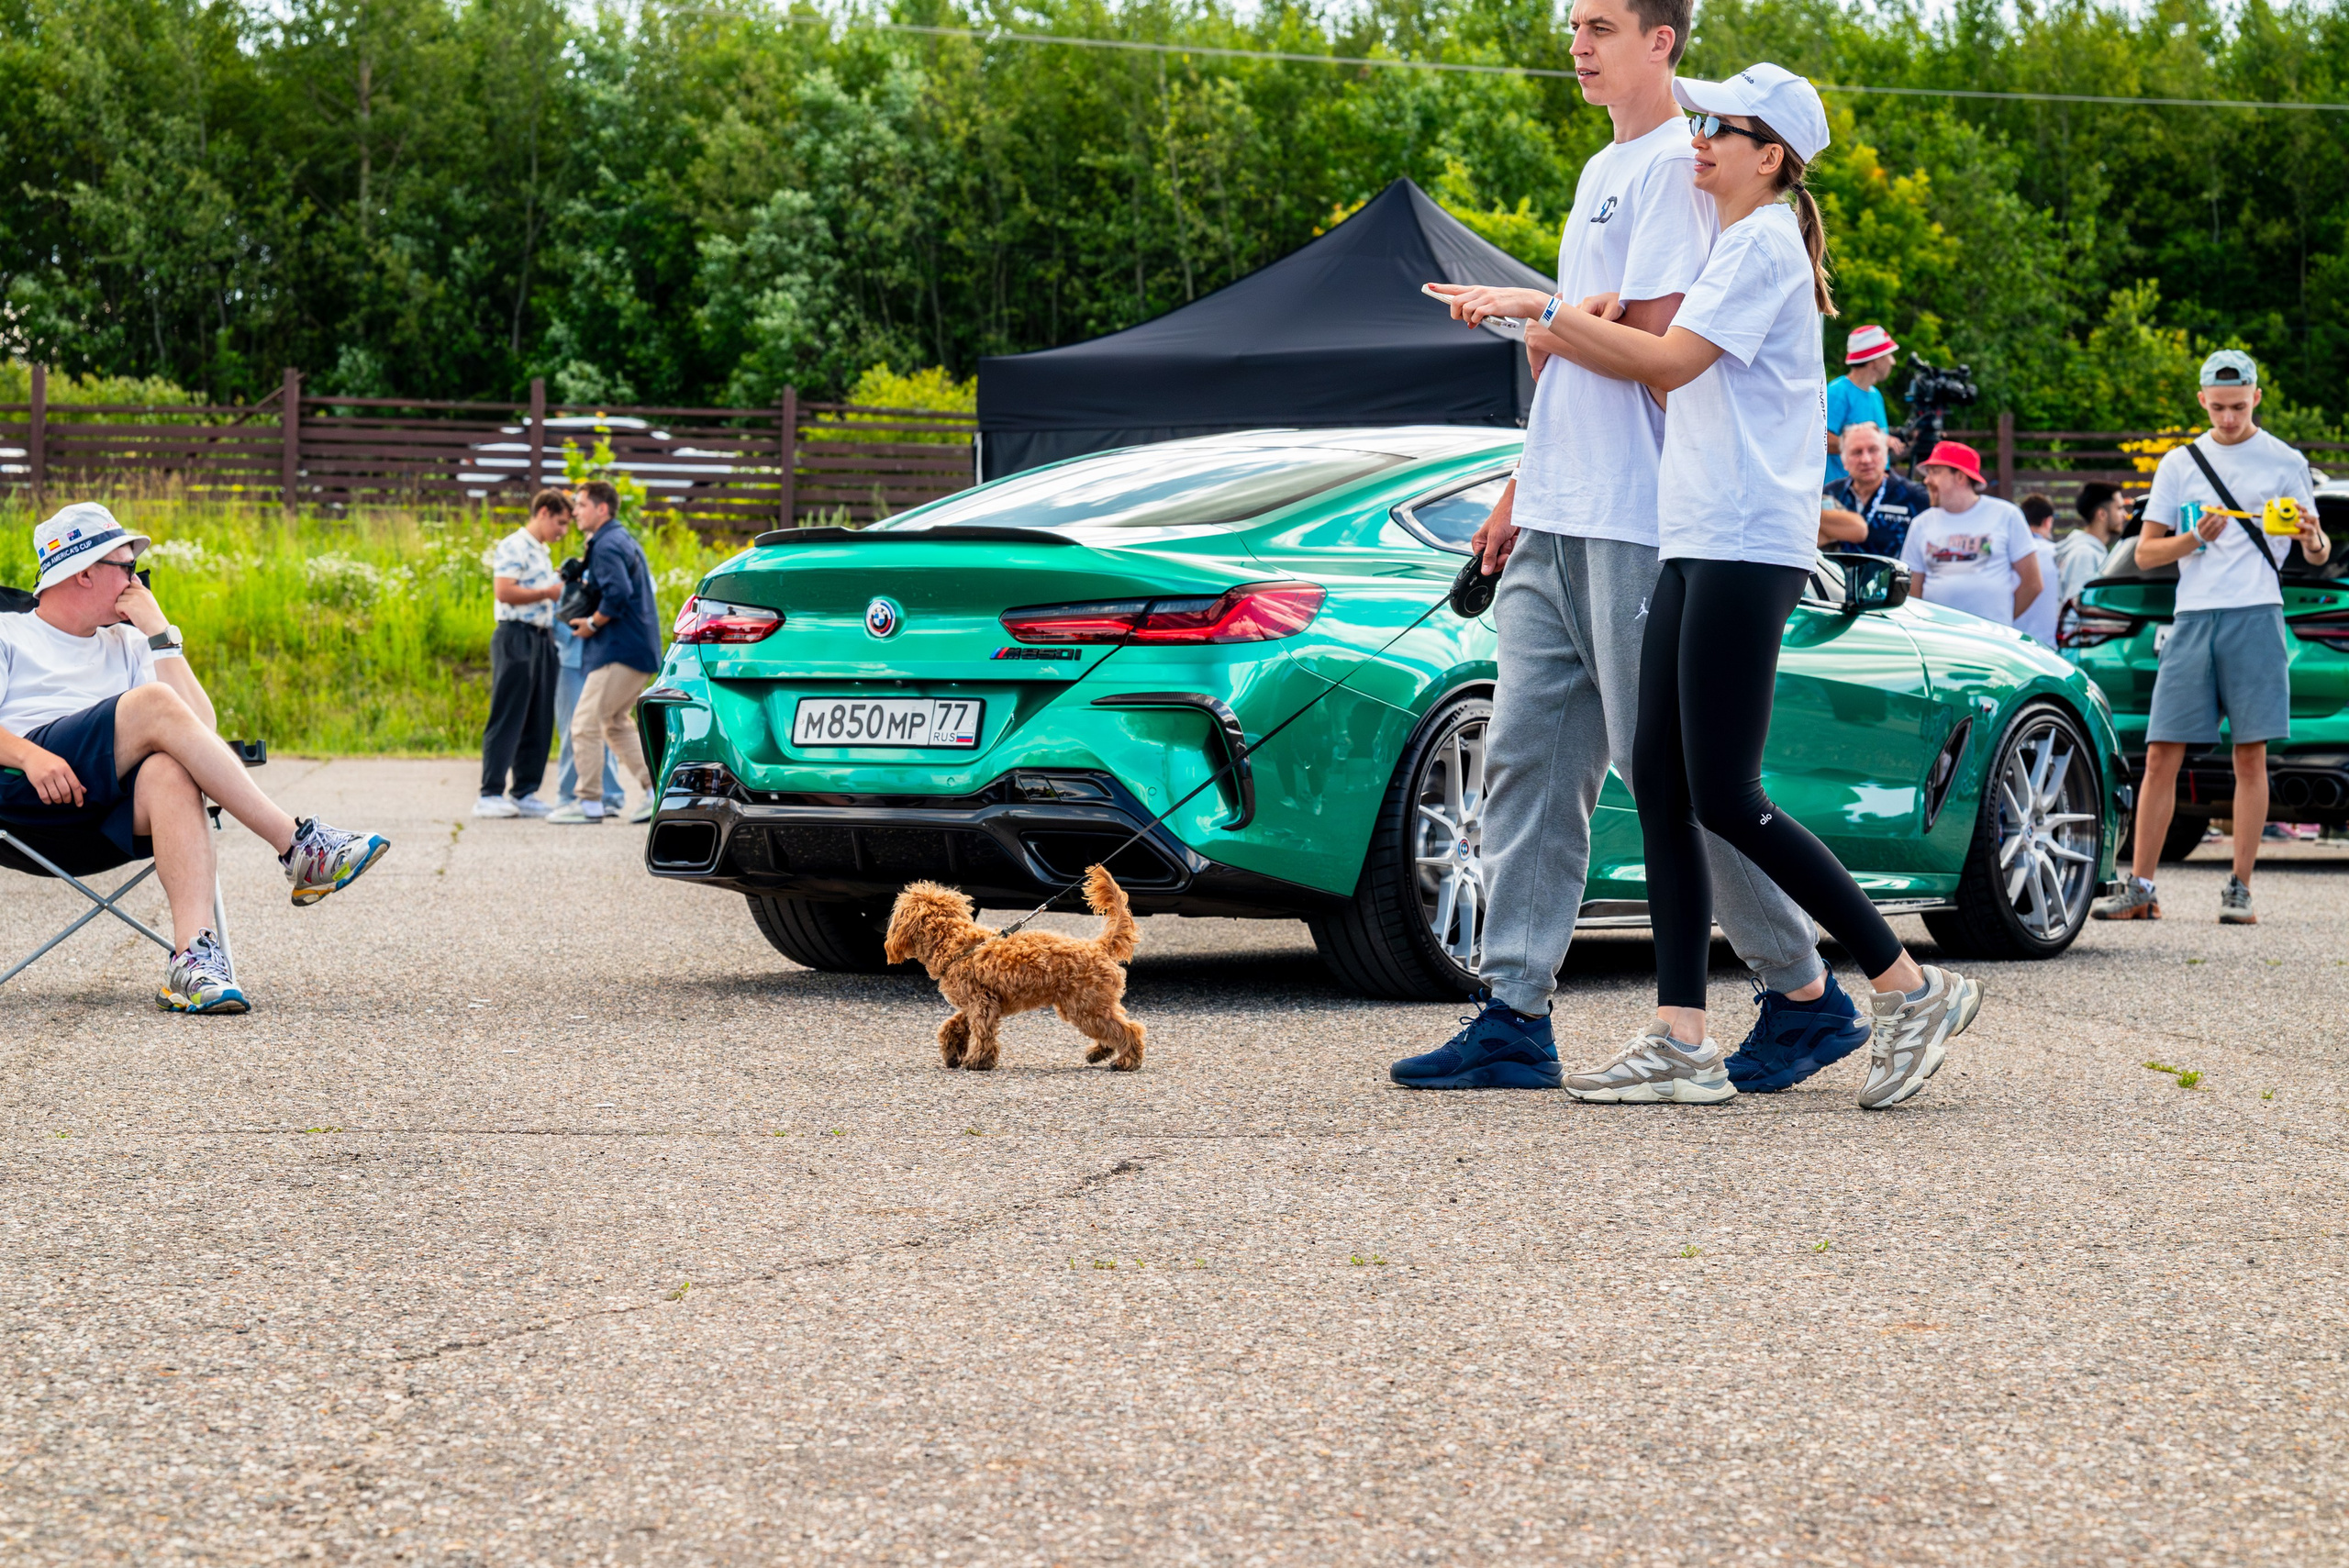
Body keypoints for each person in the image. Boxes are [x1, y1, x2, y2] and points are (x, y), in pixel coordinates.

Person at [1448, 64, 1981, 1108]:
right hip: (1695, 533)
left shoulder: (1761, 243)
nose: (1697, 138)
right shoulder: (1736, 245)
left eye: (1718, 127)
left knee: (1725, 794)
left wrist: (1541, 310)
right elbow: (1650, 354)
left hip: (1745, 540)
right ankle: (1681, 1038)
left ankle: (1908, 985)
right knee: (1661, 778)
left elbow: (1666, 365)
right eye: (1696, 120)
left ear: (1768, 156)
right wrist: (1571, 321)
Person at [1403, 2, 1861, 1098]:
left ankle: (1801, 987)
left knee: (1679, 778)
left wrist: (1547, 315)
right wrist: (1518, 489)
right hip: (1561, 507)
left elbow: (1653, 348)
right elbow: (1577, 350)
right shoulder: (1601, 168)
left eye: (1601, 25)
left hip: (1646, 516)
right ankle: (1514, 1013)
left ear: (1662, 40)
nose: (1577, 43)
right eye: (1573, 25)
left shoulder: (1679, 171)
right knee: (1525, 759)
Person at [0, 504, 391, 1013]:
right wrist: (29, 755)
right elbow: (161, 710)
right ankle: (296, 845)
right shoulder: (10, 633)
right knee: (153, 703)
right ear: (84, 573)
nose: (137, 581)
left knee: (170, 769)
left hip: (106, 812)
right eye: (127, 567)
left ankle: (194, 960)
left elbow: (200, 732)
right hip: (24, 791)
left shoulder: (129, 641)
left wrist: (161, 635)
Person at [2092, 350, 2328, 926]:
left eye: (2239, 407)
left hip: (2258, 612)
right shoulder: (2179, 462)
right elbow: (2146, 554)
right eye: (2218, 407)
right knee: (2160, 754)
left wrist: (2312, 537)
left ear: (2256, 398)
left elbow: (2318, 553)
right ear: (2202, 400)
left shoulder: (2286, 460)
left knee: (2251, 755)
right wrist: (2194, 538)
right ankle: (2142, 887)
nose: (2228, 418)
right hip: (2193, 616)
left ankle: (2240, 889)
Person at [551, 481, 662, 825]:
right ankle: (655, 792)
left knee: (584, 724)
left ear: (602, 508)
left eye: (581, 505)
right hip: (635, 648)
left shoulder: (608, 544)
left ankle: (588, 802)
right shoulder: (617, 539)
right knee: (613, 723)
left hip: (618, 650)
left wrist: (592, 623)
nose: (575, 511)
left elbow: (617, 593)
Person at [476, 489, 571, 818]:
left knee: (539, 716)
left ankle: (524, 791)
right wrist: (548, 591)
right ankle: (489, 793)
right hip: (515, 636)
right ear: (543, 512)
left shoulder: (542, 551)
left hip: (543, 638)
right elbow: (504, 591)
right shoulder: (514, 545)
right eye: (560, 522)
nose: (563, 531)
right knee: (509, 713)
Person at [1898, 440, 2045, 630]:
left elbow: (2033, 583)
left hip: (1991, 639)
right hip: (1937, 637)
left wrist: (2001, 622)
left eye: (1935, 472)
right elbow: (1913, 590)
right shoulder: (1921, 524)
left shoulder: (2006, 515)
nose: (1926, 481)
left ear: (1960, 477)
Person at [1818, 421, 1928, 556]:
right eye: (1857, 452)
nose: (1866, 459)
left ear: (1885, 455)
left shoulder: (1915, 497)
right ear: (1844, 460)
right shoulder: (1830, 493)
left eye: (1873, 450)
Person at [1822, 323, 1906, 487]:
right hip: (1842, 494)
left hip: (1873, 492)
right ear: (1875, 360)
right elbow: (1821, 439)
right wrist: (1876, 443)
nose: (1893, 362)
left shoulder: (1875, 395)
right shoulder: (1837, 392)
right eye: (1889, 355)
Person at [2056, 481, 2128, 602]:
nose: (2125, 515)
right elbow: (2079, 607)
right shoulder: (2084, 555)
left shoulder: (2091, 552)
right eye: (2119, 508)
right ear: (2102, 514)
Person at [2016, 492, 2062, 648]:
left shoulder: (2011, 556)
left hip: (2012, 641)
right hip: (2047, 645)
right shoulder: (2056, 554)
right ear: (2048, 522)